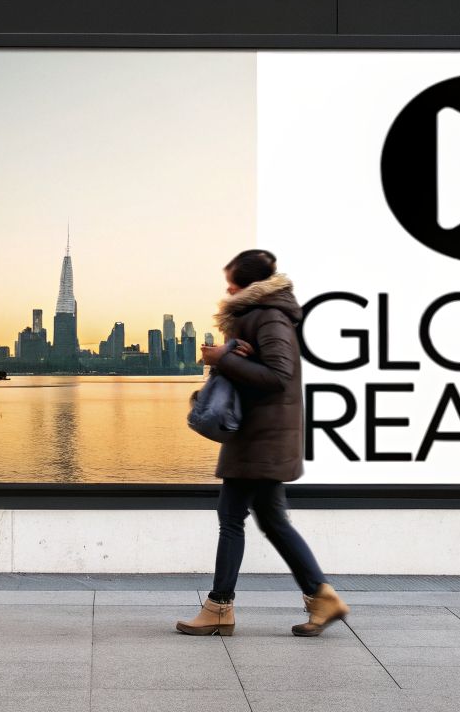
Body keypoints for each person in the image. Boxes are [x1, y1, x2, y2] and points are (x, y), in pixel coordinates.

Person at [176, 249, 350, 638]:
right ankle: (320, 597)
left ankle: (219, 607)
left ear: (251, 285)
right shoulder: (259, 314)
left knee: (232, 518)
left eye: (232, 282)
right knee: (270, 521)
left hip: (261, 439)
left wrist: (224, 357)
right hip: (260, 437)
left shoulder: (269, 316)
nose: (228, 288)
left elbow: (279, 375)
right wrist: (233, 354)